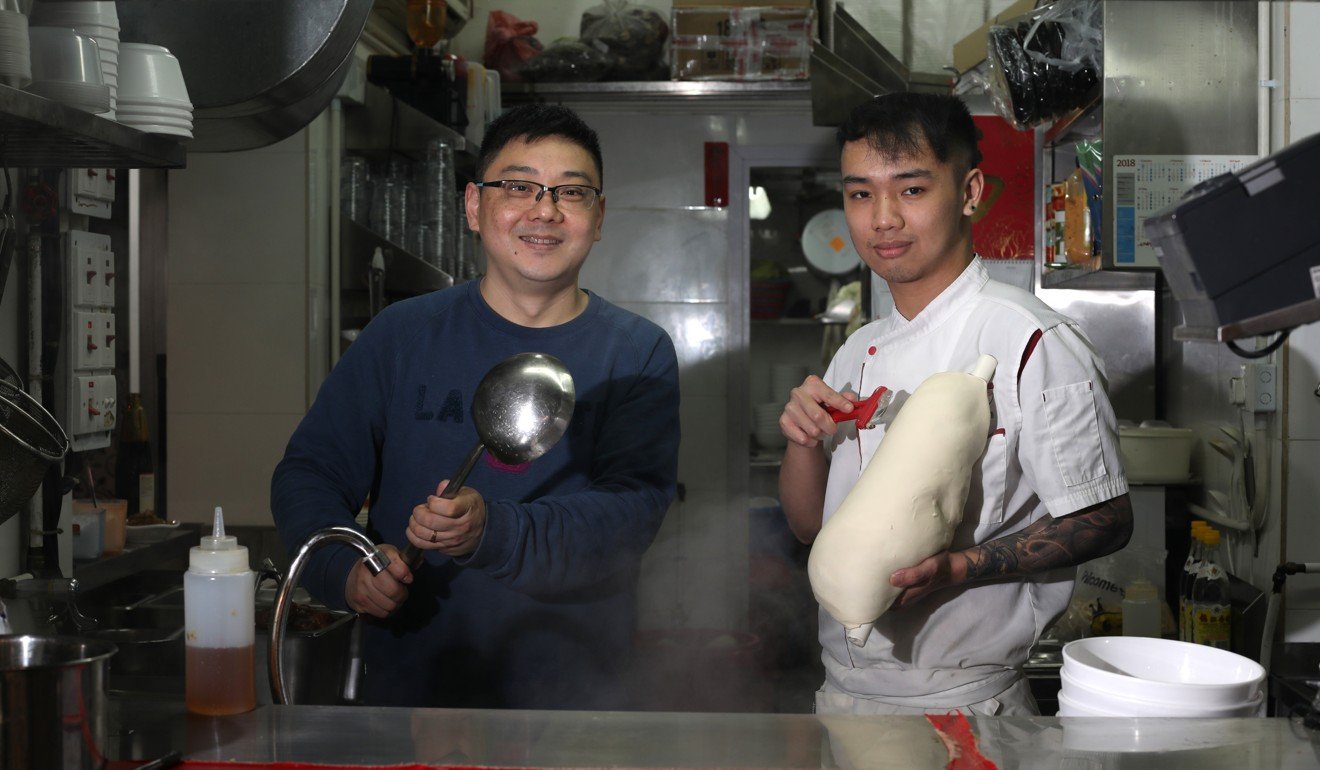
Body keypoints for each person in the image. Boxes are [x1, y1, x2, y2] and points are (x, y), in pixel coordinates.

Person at [271, 104, 681, 710]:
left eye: (571, 192)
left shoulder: (637, 352)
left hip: (576, 697)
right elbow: (310, 473)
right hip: (412, 691)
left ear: (598, 219)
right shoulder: (403, 336)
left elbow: (631, 514)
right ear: (472, 205)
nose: (544, 209)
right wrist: (345, 570)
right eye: (518, 186)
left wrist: (491, 531)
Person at [778, 92, 1133, 716]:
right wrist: (803, 440)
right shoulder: (858, 350)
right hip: (843, 694)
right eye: (860, 193)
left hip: (965, 704)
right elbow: (811, 528)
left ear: (969, 192)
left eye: (911, 190)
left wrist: (959, 568)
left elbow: (1104, 518)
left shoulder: (1029, 339)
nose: (882, 218)